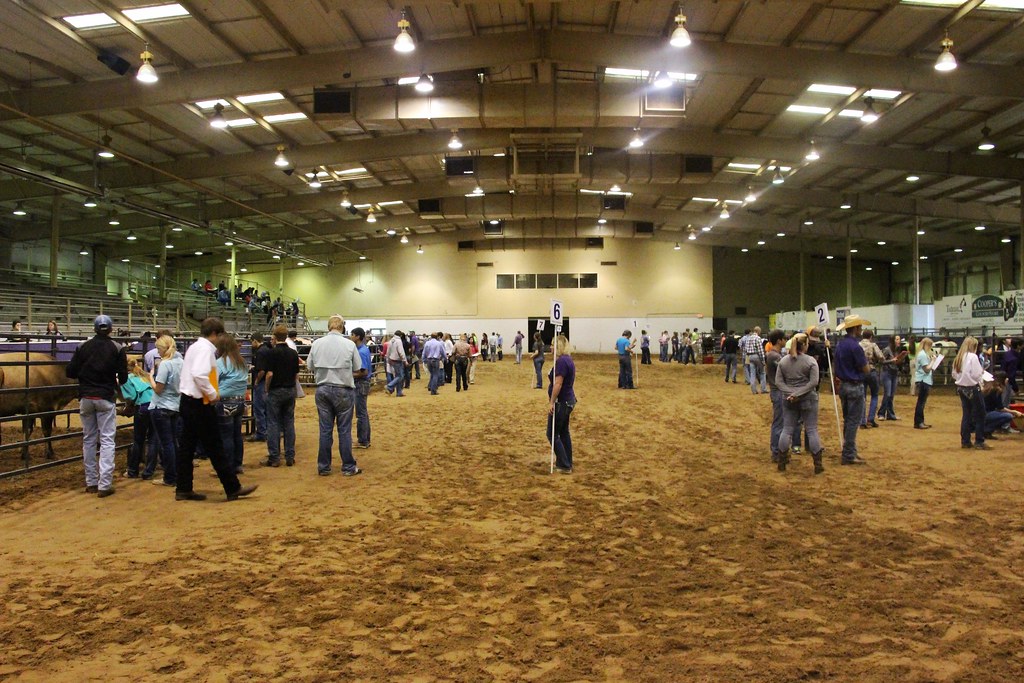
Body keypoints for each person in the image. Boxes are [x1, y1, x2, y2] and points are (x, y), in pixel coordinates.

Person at [175, 318, 257, 502]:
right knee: (215, 445)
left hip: (188, 401)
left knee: (187, 447)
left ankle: (183, 487)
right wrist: (213, 394)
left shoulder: (195, 347)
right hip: (199, 404)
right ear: (215, 334)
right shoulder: (205, 350)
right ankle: (232, 487)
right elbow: (199, 374)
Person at [66, 315, 127, 498]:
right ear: (110, 329)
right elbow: (123, 378)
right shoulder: (117, 348)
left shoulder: (82, 347)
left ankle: (91, 481)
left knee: (89, 439)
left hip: (86, 397)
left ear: (94, 329)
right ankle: (104, 484)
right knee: (107, 439)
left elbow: (70, 371)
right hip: (105, 397)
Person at [308, 315, 364, 476]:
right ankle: (347, 466)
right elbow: (357, 367)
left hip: (323, 388)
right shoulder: (349, 344)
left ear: (328, 327)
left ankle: (324, 467)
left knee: (325, 430)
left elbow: (310, 366)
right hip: (343, 389)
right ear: (342, 327)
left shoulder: (317, 343)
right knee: (344, 430)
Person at [776, 333, 825, 474]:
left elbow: (779, 382)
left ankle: (782, 462)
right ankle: (818, 464)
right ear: (804, 345)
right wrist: (799, 393)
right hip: (808, 398)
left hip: (789, 399)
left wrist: (790, 394)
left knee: (787, 430)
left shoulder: (783, 361)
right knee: (811, 430)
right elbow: (813, 382)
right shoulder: (810, 361)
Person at [833, 313, 871, 466]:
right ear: (855, 328)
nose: (861, 329)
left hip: (843, 385)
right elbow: (865, 369)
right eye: (860, 327)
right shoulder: (856, 346)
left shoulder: (841, 345)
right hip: (854, 385)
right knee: (853, 421)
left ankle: (850, 451)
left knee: (848, 420)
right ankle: (849, 454)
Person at [147, 334, 182, 487]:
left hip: (161, 406)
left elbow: (158, 389)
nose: (158, 352)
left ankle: (169, 477)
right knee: (173, 442)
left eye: (158, 349)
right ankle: (176, 473)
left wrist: (150, 379)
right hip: (175, 405)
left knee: (166, 443)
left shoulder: (164, 364)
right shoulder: (182, 362)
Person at [264, 324, 300, 467]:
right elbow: (297, 374)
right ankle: (290, 456)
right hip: (290, 389)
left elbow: (269, 374)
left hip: (275, 390)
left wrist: (267, 389)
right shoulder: (293, 353)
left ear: (274, 336)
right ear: (286, 336)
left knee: (273, 423)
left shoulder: (271, 353)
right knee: (289, 422)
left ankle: (274, 457)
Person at [216, 335, 249, 474]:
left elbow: (213, 384)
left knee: (226, 435)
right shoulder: (242, 362)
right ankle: (237, 464)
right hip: (240, 400)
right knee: (237, 434)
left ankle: (227, 466)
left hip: (224, 402)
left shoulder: (219, 363)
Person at [952, 336, 990, 450]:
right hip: (973, 388)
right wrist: (981, 373)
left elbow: (954, 374)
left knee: (966, 414)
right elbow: (977, 374)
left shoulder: (958, 357)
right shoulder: (973, 357)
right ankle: (979, 440)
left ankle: (965, 441)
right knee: (980, 414)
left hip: (961, 388)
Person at [120, 358, 155, 480]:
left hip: (142, 408)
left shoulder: (126, 379)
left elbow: (132, 396)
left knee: (138, 440)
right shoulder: (145, 376)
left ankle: (132, 470)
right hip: (155, 406)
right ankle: (149, 471)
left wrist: (127, 408)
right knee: (153, 440)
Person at [547, 334, 577, 474]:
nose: (551, 347)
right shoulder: (567, 360)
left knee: (552, 433)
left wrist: (552, 402)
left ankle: (564, 464)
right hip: (568, 400)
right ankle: (566, 461)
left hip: (562, 402)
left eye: (553, 344)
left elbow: (558, 384)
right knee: (564, 432)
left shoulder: (561, 362)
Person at [764, 329, 787, 465]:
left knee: (780, 422)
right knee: (779, 422)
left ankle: (778, 450)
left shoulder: (773, 354)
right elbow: (785, 369)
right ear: (779, 340)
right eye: (784, 339)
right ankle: (776, 451)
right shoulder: (774, 356)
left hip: (777, 390)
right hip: (778, 391)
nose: (785, 341)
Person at [351, 327, 373, 448]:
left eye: (352, 334)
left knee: (361, 413)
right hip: (362, 383)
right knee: (363, 412)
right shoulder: (363, 349)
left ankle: (363, 440)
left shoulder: (361, 352)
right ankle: (365, 439)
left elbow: (363, 372)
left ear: (358, 336)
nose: (351, 336)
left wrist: (349, 374)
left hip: (360, 383)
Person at [859, 329, 884, 428]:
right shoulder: (873, 345)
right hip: (871, 370)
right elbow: (881, 357)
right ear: (871, 337)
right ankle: (871, 419)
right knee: (874, 395)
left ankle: (862, 421)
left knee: (862, 396)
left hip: (861, 371)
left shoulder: (858, 345)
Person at [248, 333, 270, 443]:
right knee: (266, 409)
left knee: (259, 409)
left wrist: (256, 380)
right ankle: (266, 431)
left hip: (261, 383)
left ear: (255, 341)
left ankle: (261, 433)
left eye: (252, 341)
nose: (251, 344)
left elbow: (261, 370)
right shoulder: (267, 349)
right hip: (267, 382)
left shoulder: (260, 352)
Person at [984, 373, 1021, 437]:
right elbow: (1000, 408)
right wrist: (1014, 412)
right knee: (1008, 416)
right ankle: (987, 430)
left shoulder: (990, 387)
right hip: (986, 414)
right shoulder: (997, 390)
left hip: (981, 413)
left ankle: (987, 430)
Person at [878, 335, 904, 421]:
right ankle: (881, 413)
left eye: (899, 339)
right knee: (887, 394)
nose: (899, 341)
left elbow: (896, 362)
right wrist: (891, 361)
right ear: (893, 341)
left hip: (894, 373)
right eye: (897, 339)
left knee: (891, 395)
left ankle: (890, 414)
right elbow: (881, 361)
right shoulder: (887, 350)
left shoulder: (896, 351)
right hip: (887, 373)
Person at [914, 337, 936, 429]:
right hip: (923, 380)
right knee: (921, 402)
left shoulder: (923, 354)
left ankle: (920, 421)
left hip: (924, 380)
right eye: (930, 346)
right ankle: (919, 422)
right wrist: (933, 361)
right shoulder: (922, 355)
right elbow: (926, 369)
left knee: (921, 402)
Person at [741, 327, 766, 395]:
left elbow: (745, 349)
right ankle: (763, 389)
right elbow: (760, 350)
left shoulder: (748, 338)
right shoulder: (758, 338)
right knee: (762, 372)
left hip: (750, 356)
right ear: (758, 331)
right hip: (756, 356)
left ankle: (753, 390)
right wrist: (763, 360)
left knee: (752, 373)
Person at [385, 330, 408, 396]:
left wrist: (388, 358)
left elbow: (388, 350)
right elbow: (401, 351)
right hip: (398, 360)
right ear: (400, 335)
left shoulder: (391, 340)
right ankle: (389, 386)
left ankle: (399, 392)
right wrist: (405, 360)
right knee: (400, 376)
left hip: (392, 359)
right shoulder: (398, 341)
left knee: (397, 376)